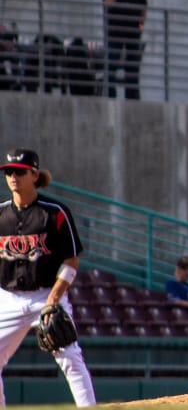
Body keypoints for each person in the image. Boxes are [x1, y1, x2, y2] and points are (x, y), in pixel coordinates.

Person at [0, 147, 96, 406]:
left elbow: (71, 259)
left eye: (19, 172)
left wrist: (54, 298)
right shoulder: (1, 215)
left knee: (70, 357)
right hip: (7, 296)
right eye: (9, 172)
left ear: (34, 174)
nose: (13, 177)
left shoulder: (55, 213)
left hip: (46, 294)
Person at [100, 0, 147, 100]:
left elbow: (144, 8)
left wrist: (140, 27)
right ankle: (111, 98)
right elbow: (107, 4)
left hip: (132, 34)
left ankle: (132, 99)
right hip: (115, 34)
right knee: (111, 66)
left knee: (132, 69)